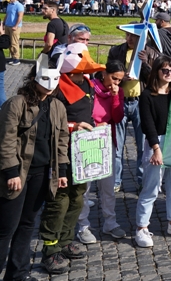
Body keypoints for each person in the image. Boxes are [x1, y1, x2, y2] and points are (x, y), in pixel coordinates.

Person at [0, 55, 69, 278]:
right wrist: (11, 171)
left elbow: (61, 140)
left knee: (27, 224)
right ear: (34, 79)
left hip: (41, 174)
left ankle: (17, 274)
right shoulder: (17, 103)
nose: (50, 87)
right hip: (18, 173)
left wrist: (62, 172)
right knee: (5, 228)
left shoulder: (57, 106)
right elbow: (6, 139)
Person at [39, 43, 104, 274]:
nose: (83, 74)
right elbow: (47, 122)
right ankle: (50, 247)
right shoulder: (56, 87)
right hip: (60, 153)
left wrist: (96, 127)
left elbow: (90, 111)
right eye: (78, 71)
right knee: (60, 199)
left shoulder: (87, 82)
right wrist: (74, 126)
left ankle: (66, 239)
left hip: (83, 151)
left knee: (77, 197)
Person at [135, 55, 171, 247]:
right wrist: (156, 149)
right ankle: (142, 227)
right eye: (165, 70)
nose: (169, 74)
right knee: (151, 187)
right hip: (157, 142)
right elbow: (148, 125)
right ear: (157, 71)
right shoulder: (147, 95)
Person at [75, 60, 127, 244]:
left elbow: (118, 116)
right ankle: (83, 225)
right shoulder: (90, 88)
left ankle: (110, 222)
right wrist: (95, 125)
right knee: (86, 186)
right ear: (104, 73)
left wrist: (114, 97)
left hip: (106, 140)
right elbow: (84, 111)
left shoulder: (117, 91)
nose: (116, 83)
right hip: (89, 138)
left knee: (108, 184)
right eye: (113, 78)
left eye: (120, 81)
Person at [107, 31, 159, 192]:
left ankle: (142, 180)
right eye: (128, 35)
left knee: (142, 146)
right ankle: (115, 181)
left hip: (140, 102)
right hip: (120, 101)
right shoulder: (116, 51)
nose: (130, 39)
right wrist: (121, 79)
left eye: (134, 36)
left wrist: (144, 63)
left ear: (142, 38)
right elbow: (107, 74)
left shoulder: (150, 52)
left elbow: (155, 77)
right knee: (117, 144)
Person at [3, 0, 23, 65]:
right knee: (9, 42)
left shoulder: (19, 5)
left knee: (14, 42)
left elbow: (20, 16)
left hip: (15, 27)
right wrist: (3, 23)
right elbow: (7, 14)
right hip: (8, 26)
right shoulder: (9, 5)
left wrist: (16, 25)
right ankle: (12, 56)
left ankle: (17, 58)